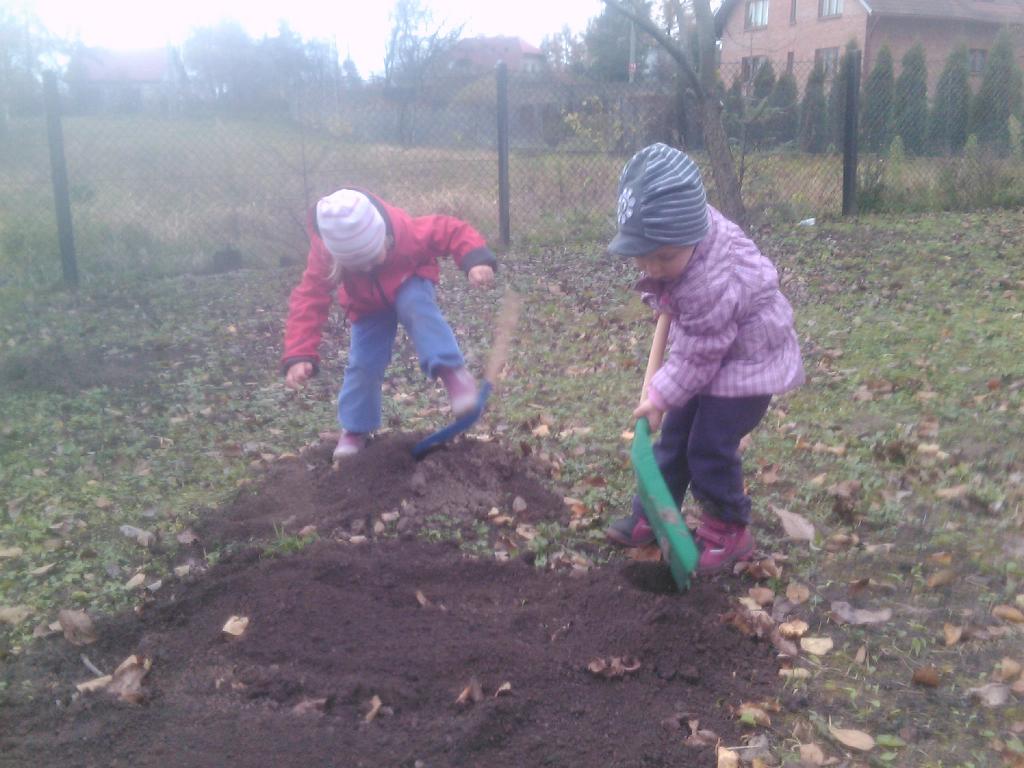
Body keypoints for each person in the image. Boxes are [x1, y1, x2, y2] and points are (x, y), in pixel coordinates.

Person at [604, 143, 804, 574]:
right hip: (715, 353)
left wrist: (658, 395)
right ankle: (656, 513)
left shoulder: (709, 280)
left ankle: (729, 530)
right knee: (676, 434)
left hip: (749, 364)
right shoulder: (684, 243)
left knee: (707, 445)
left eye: (666, 257)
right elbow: (694, 344)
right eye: (645, 256)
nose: (654, 268)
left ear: (695, 233)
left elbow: (698, 354)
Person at [281, 188, 496, 459]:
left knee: (416, 306)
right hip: (366, 305)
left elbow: (451, 230)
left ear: (384, 236)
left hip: (409, 280)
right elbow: (309, 298)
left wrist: (474, 260)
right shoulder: (325, 254)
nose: (368, 268)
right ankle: (355, 429)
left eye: (373, 258)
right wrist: (299, 354)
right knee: (363, 362)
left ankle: (453, 374)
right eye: (357, 266)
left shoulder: (407, 232)